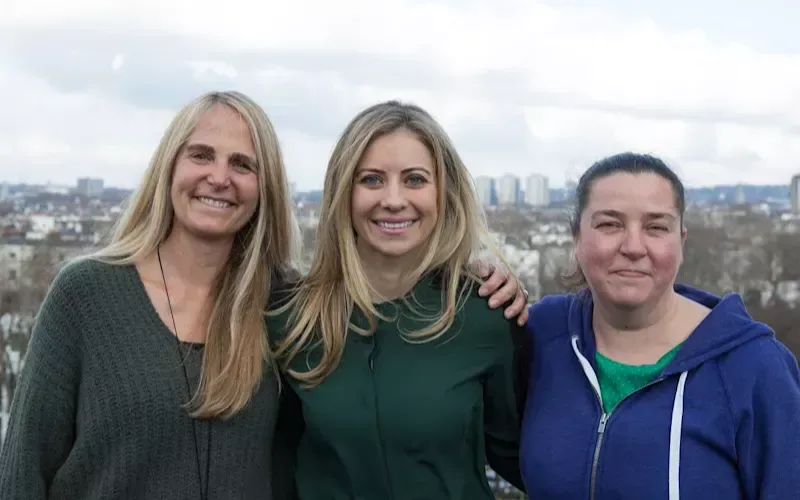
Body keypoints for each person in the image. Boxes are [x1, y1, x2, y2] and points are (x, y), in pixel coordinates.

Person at [0, 91, 527, 500]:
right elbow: (23, 469)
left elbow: (525, 453)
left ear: (264, 185)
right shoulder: (90, 295)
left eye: (243, 164)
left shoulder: (281, 303)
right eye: (201, 154)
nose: (219, 177)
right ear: (168, 167)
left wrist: (491, 277)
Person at [268, 100, 528, 500]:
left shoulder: (486, 316)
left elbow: (534, 460)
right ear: (343, 192)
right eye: (371, 179)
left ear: (444, 192)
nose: (393, 199)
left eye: (415, 180)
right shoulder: (292, 321)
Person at [518, 152, 800, 499]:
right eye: (610, 224)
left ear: (681, 242)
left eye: (655, 227)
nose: (634, 247)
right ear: (576, 238)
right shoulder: (543, 335)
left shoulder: (754, 368)